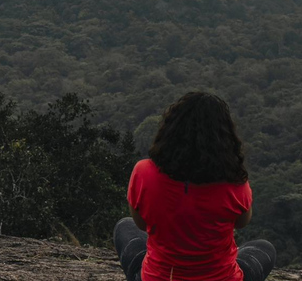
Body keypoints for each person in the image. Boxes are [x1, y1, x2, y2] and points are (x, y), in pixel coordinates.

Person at [114, 92, 275, 281]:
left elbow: (141, 224)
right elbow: (241, 222)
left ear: (171, 131)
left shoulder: (143, 172)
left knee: (125, 226)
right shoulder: (235, 182)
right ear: (224, 138)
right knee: (265, 248)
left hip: (161, 276)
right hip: (222, 277)